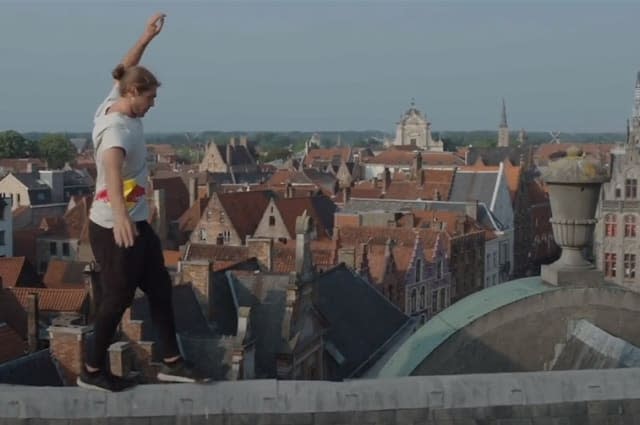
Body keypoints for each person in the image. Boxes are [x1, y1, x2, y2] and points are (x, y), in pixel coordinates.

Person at [78, 12, 203, 391]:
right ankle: (92, 370)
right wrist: (120, 217)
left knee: (161, 289)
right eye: (150, 97)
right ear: (134, 94)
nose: (153, 104)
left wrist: (147, 37)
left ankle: (171, 362)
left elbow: (124, 68)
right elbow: (112, 172)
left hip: (137, 221)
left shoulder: (114, 100)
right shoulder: (115, 128)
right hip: (116, 225)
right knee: (116, 300)